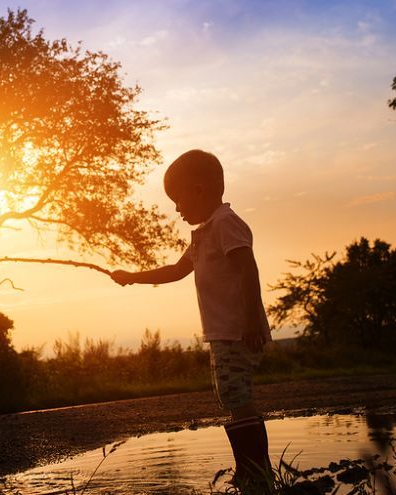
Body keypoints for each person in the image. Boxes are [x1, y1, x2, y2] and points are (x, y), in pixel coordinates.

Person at [111, 149, 272, 490]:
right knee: (232, 397)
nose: (176, 209)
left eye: (177, 199)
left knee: (236, 397)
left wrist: (252, 322)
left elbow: (248, 269)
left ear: (198, 191)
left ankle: (256, 475)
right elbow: (176, 271)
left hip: (238, 332)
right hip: (224, 334)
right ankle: (252, 473)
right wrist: (132, 276)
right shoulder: (204, 234)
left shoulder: (226, 224)